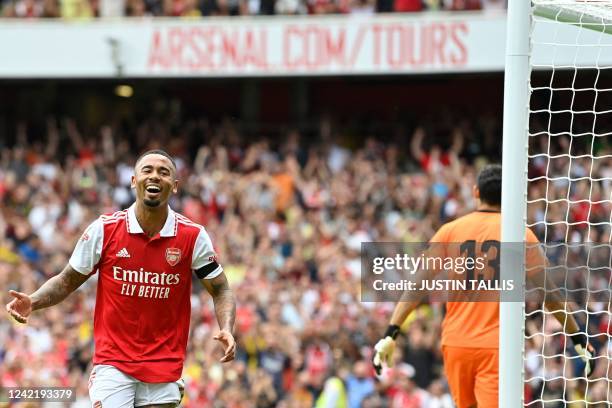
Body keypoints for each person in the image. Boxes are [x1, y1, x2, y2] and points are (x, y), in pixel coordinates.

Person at [6, 149, 236, 408]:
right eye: (147, 170)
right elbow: (66, 281)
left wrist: (226, 327)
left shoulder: (193, 236)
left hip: (164, 366)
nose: (155, 176)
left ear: (175, 186)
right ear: (133, 181)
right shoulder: (104, 230)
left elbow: (221, 289)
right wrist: (33, 301)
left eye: (164, 172)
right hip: (113, 364)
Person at [372, 164, 596, 408]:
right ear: (509, 193)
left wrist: (391, 332)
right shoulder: (520, 234)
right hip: (496, 346)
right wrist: (576, 335)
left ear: (476, 192)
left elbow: (416, 285)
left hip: (456, 343)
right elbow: (550, 294)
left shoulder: (449, 231)